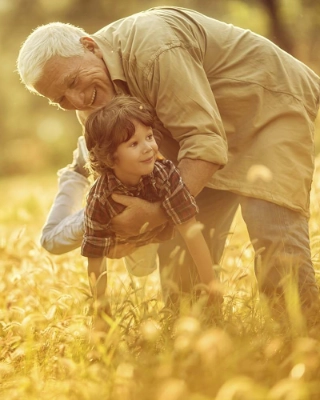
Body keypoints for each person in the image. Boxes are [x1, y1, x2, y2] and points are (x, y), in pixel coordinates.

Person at [17, 6, 320, 322]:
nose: (77, 101)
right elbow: (115, 178)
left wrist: (158, 213)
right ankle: (197, 353)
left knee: (274, 241)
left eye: (73, 81)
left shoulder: (154, 47)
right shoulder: (90, 102)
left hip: (265, 108)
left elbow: (204, 143)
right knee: (181, 272)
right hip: (198, 137)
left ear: (90, 46)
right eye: (61, 100)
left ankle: (299, 341)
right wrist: (126, 233)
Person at [81, 95, 221, 312]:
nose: (148, 148)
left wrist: (212, 286)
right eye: (134, 144)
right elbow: (96, 259)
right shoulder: (99, 199)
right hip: (124, 239)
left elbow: (190, 229)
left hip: (160, 230)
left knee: (181, 280)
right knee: (139, 271)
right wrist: (101, 315)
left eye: (149, 137)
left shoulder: (165, 174)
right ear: (110, 157)